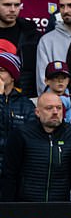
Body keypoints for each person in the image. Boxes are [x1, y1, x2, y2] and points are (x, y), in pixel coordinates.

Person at [1, 92, 71, 202]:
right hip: (27, 206)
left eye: (59, 108)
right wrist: (8, 209)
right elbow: (10, 174)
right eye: (49, 108)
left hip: (59, 206)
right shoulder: (21, 133)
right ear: (37, 112)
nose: (55, 112)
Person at [0, 53, 36, 181]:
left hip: (17, 171)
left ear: (13, 76)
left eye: (2, 70)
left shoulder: (26, 105)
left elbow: (31, 138)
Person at [0, 0, 39, 97]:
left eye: (16, 5)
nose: (12, 10)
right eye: (7, 5)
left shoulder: (31, 34)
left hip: (23, 96)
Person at [37, 60, 71, 143]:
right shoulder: (35, 103)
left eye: (64, 78)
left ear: (68, 80)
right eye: (56, 77)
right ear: (46, 81)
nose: (60, 81)